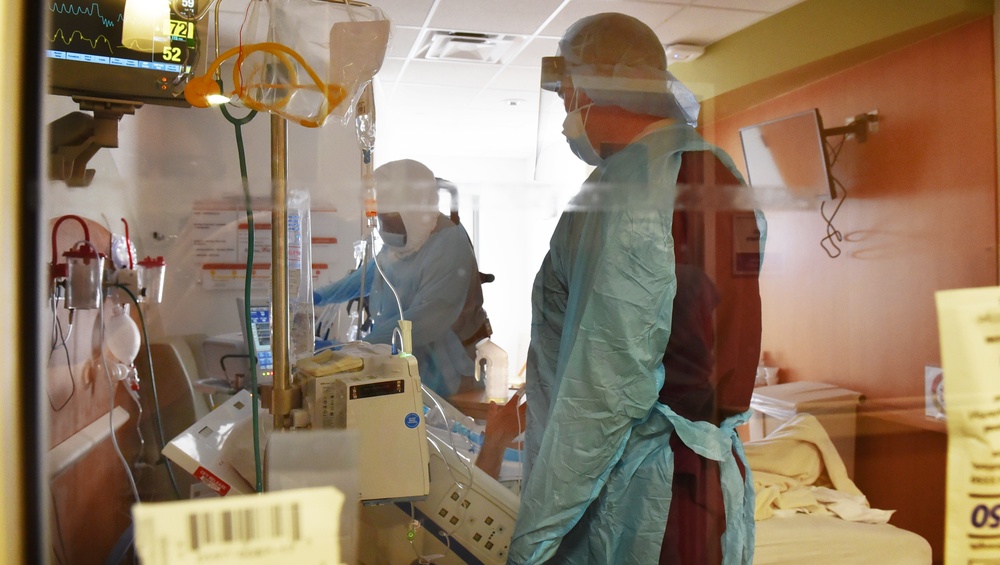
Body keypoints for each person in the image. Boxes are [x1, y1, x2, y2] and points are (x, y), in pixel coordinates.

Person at [507, 13, 765, 564]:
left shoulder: (635, 192)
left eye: (565, 96)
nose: (564, 117)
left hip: (647, 496)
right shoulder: (711, 170)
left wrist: (534, 535)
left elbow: (603, 389)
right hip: (694, 484)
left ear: (587, 85)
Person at [313, 159, 492, 397]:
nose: (388, 230)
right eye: (383, 220)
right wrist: (319, 296)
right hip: (405, 361)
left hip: (448, 373)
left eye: (394, 221)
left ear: (415, 213)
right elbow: (373, 273)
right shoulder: (406, 240)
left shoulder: (449, 243)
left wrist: (355, 349)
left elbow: (424, 320)